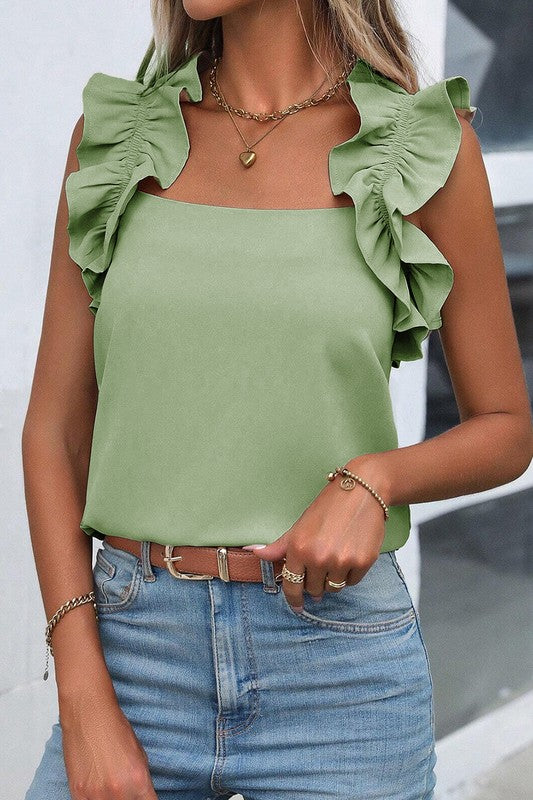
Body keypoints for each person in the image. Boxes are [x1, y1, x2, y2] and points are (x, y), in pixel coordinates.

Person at [22, 0, 533, 798]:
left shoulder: (418, 146)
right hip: (132, 656)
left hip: (340, 678)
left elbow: (505, 430)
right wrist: (82, 691)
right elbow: (55, 430)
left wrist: (375, 480)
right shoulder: (118, 140)